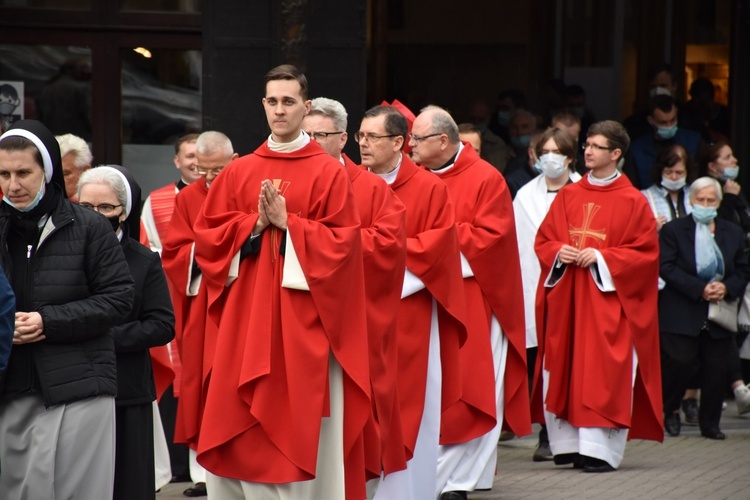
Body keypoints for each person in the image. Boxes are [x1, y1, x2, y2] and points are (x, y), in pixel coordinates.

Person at [193, 64, 370, 500]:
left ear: (305, 107)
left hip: (301, 319)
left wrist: (289, 223)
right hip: (246, 316)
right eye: (272, 101)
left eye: (288, 101)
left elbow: (345, 247)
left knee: (295, 417)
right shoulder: (239, 171)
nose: (279, 110)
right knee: (236, 414)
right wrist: (252, 227)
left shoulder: (328, 172)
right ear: (263, 105)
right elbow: (208, 238)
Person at [0, 119, 134, 497]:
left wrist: (48, 321)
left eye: (24, 172)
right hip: (11, 385)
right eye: (4, 173)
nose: (13, 184)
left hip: (80, 385)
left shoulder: (89, 227)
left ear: (48, 170)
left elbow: (119, 298)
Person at [411, 105, 530, 500]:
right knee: (434, 390)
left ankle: (462, 480)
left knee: (475, 389)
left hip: (476, 296)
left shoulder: (486, 178)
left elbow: (492, 239)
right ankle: (432, 474)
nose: (408, 144)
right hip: (424, 296)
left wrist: (440, 239)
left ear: (442, 141)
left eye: (415, 138)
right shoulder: (416, 177)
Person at [533, 120, 663, 473]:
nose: (587, 151)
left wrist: (603, 258)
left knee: (602, 372)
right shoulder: (569, 195)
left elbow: (646, 255)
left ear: (616, 154)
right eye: (586, 144)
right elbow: (543, 241)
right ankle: (570, 446)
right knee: (567, 366)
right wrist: (560, 251)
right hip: (569, 301)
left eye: (595, 146)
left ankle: (599, 450)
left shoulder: (634, 201)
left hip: (608, 303)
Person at [355, 104, 467, 499]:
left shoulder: (430, 188)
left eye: (372, 137)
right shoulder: (348, 183)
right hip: (357, 314)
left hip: (410, 313)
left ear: (399, 143)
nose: (363, 145)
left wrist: (381, 264)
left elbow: (437, 247)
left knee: (409, 407)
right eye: (360, 136)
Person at [302, 98, 409, 483]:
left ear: (343, 138)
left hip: (353, 322)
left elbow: (388, 246)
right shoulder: (294, 183)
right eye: (306, 133)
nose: (311, 142)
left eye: (320, 134)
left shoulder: (371, 189)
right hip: (300, 322)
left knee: (350, 416)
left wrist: (319, 240)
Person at [77, 165, 175, 499]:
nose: (95, 215)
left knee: (129, 482)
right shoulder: (65, 253)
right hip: (75, 386)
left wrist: (105, 338)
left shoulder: (143, 260)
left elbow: (162, 325)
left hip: (126, 386)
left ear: (123, 212)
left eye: (105, 208)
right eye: (86, 207)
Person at [161, 131, 238, 498]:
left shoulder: (248, 189)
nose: (209, 179)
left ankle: (237, 465)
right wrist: (213, 250)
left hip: (240, 302)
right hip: (202, 303)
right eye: (202, 170)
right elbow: (174, 252)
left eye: (218, 170)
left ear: (234, 160)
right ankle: (202, 473)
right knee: (201, 384)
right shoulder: (189, 198)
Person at [659, 177, 750, 439]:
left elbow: (743, 268)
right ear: (691, 201)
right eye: (701, 200)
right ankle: (671, 410)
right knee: (679, 363)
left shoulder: (730, 231)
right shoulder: (674, 230)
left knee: (716, 369)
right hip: (682, 309)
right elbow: (666, 267)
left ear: (719, 203)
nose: (706, 205)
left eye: (711, 200)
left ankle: (710, 423)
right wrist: (700, 288)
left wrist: (726, 287)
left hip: (719, 311)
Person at [513, 126, 582, 462]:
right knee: (542, 363)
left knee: (575, 361)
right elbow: (519, 247)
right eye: (546, 152)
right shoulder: (525, 195)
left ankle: (578, 432)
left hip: (577, 288)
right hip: (535, 288)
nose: (551, 158)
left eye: (559, 152)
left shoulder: (585, 192)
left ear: (570, 156)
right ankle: (546, 433)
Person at [141, 132, 201, 487]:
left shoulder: (227, 194)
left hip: (212, 296)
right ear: (177, 161)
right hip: (172, 296)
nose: (195, 163)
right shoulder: (158, 200)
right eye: (189, 156)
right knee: (177, 378)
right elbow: (151, 249)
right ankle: (179, 465)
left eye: (201, 156)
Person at [625, 95, 702, 189]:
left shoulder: (694, 141)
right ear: (651, 120)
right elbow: (632, 187)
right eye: (663, 122)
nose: (669, 125)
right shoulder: (636, 150)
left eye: (672, 120)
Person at [640, 144, 695, 231]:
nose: (674, 177)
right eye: (668, 172)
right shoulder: (644, 197)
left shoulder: (696, 194)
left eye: (679, 172)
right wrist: (650, 229)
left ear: (687, 172)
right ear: (660, 171)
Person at [56, 133, 92, 200]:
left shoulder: (95, 206)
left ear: (85, 172)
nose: (56, 179)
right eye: (53, 173)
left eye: (65, 174)